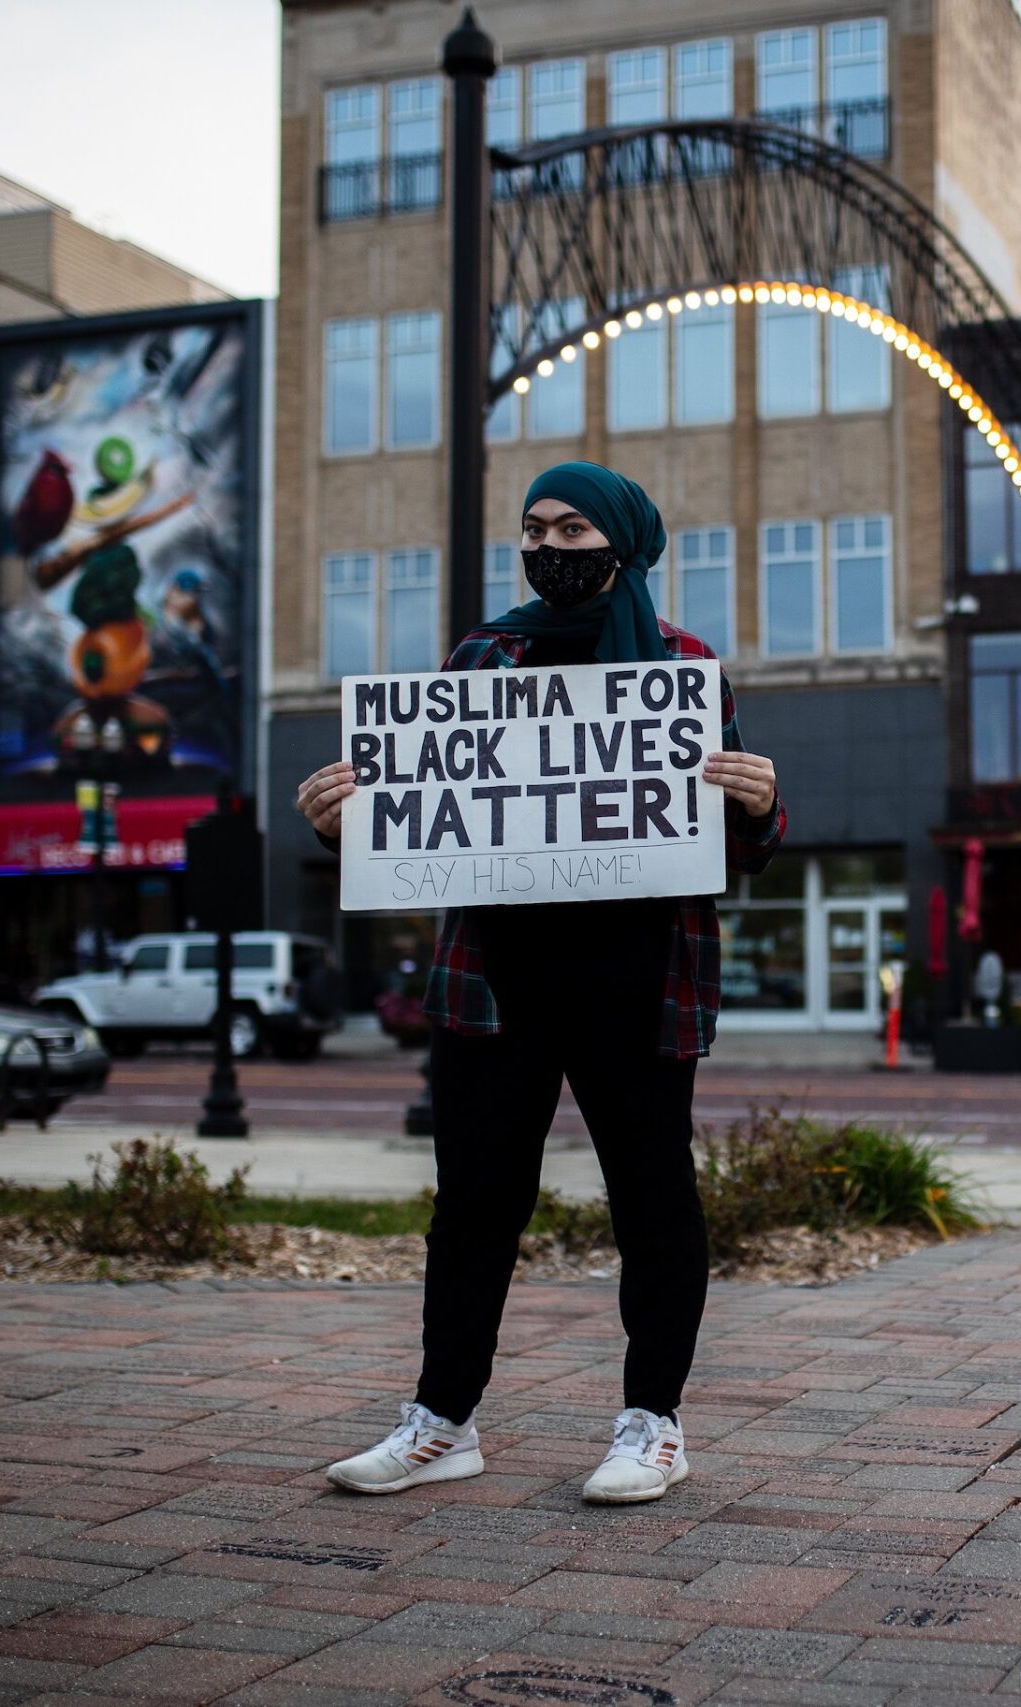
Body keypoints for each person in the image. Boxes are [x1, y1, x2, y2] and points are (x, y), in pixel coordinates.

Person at [294, 461, 783, 1505]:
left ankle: (653, 1423)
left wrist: (756, 801)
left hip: (638, 981)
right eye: (534, 530)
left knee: (653, 1202)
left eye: (573, 530)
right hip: (496, 983)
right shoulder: (480, 657)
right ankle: (442, 1420)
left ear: (623, 543)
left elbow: (738, 847)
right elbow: (427, 816)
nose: (549, 548)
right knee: (472, 1205)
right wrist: (345, 823)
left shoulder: (682, 665)